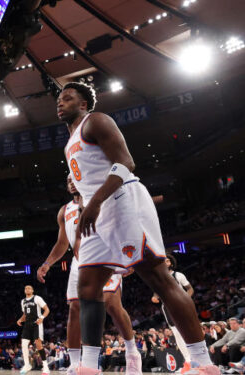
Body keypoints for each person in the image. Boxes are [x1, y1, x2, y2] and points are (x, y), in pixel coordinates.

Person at [57, 82, 216, 375]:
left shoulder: (97, 121)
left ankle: (204, 364)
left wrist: (94, 203)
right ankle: (88, 367)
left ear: (83, 105)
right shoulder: (69, 141)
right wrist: (87, 200)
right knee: (88, 288)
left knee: (158, 277)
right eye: (59, 98)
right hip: (95, 210)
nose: (60, 102)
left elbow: (126, 162)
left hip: (120, 201)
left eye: (68, 98)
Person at [37, 176, 142, 374]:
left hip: (106, 253)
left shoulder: (100, 199)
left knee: (111, 304)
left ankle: (132, 352)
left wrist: (128, 254)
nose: (70, 181)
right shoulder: (64, 211)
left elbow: (121, 223)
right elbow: (62, 243)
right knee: (75, 309)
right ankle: (76, 364)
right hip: (80, 261)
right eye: (67, 179)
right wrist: (47, 263)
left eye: (74, 177)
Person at [152, 255, 196, 371]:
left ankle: (197, 359)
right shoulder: (159, 278)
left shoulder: (178, 275)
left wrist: (186, 299)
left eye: (167, 260)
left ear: (171, 263)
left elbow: (190, 289)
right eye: (163, 261)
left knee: (189, 332)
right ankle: (188, 361)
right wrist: (154, 297)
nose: (165, 262)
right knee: (177, 334)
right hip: (167, 307)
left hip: (182, 305)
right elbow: (156, 293)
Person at [17, 285, 50, 374]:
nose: (27, 289)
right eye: (25, 288)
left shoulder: (37, 298)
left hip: (36, 323)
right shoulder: (23, 301)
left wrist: (42, 317)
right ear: (24, 291)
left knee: (38, 344)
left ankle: (45, 366)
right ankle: (27, 365)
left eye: (29, 288)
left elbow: (47, 309)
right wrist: (20, 319)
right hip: (27, 325)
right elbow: (25, 315)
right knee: (24, 344)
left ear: (32, 290)